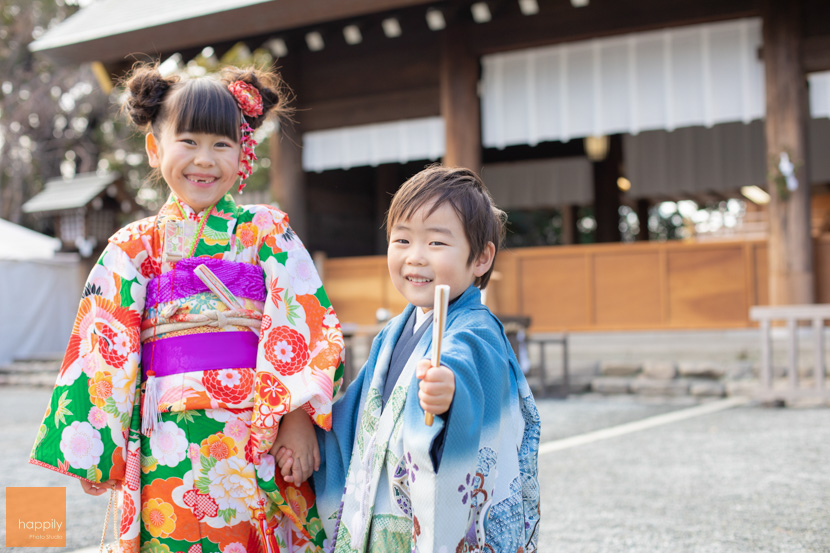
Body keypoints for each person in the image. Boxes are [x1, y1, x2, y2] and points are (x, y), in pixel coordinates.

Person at [29, 62, 343, 553]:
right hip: (164, 441)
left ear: (244, 154)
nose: (205, 159)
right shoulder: (134, 246)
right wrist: (99, 446)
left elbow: (302, 321)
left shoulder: (266, 232)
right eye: (189, 141)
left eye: (222, 144)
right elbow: (105, 341)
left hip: (253, 436)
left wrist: (298, 419)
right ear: (155, 149)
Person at [296, 165, 540, 552]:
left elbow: (464, 369)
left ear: (480, 259)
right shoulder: (393, 333)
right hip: (385, 519)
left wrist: (452, 392)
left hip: (428, 524)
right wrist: (300, 425)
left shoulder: (475, 330)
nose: (415, 257)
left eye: (437, 244)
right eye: (402, 240)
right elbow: (357, 418)